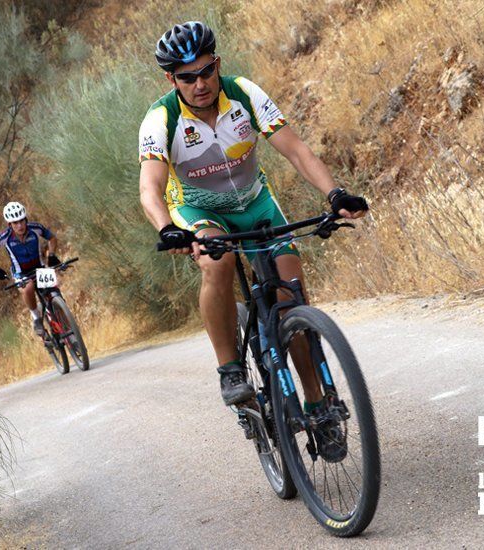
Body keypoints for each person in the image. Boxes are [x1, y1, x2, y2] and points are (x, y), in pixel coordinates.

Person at [138, 21, 368, 450]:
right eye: (187, 77)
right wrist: (167, 228)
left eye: (206, 71)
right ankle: (230, 368)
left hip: (255, 201)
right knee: (217, 261)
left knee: (290, 299)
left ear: (217, 65)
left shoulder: (244, 94)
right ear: (172, 80)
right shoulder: (161, 118)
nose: (200, 83)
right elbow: (149, 187)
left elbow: (295, 149)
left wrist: (334, 193)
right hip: (199, 209)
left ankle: (318, 406)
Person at [0, 201, 60, 337]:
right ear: (9, 224)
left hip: (39, 268)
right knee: (28, 287)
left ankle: (65, 325)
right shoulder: (5, 237)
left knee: (55, 292)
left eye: (22, 221)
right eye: (15, 223)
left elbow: (52, 238)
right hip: (21, 272)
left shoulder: (35, 228)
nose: (20, 225)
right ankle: (36, 318)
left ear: (26, 219)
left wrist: (52, 254)